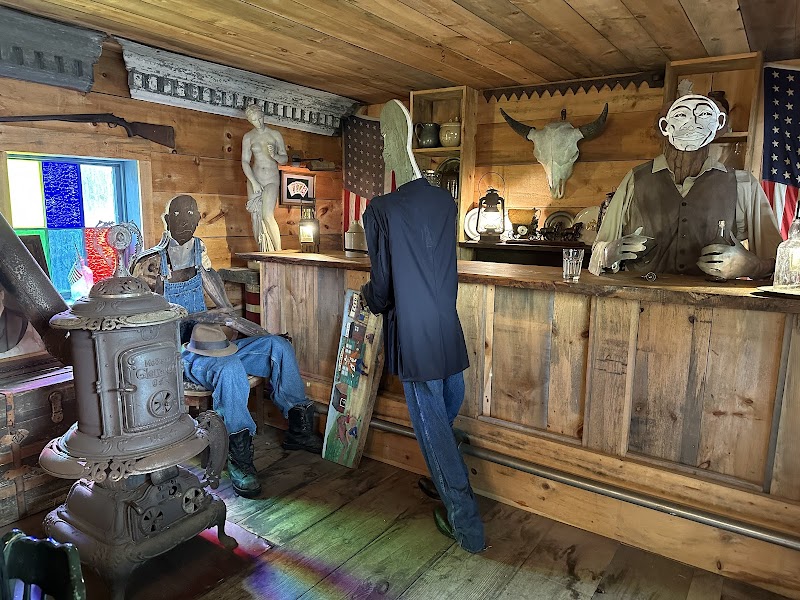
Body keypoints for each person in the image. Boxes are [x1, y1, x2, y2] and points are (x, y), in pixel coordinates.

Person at [132, 194, 322, 498]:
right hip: (177, 353)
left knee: (278, 347)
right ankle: (239, 455)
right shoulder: (150, 264)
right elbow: (151, 322)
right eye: (178, 218)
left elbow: (214, 290)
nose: (185, 223)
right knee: (231, 368)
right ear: (166, 221)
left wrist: (246, 326)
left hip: (213, 345)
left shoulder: (197, 249)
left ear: (197, 221)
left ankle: (298, 428)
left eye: (191, 218)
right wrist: (210, 316)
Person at [360, 100, 485, 554]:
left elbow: (384, 284)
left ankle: (466, 525)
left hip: (412, 334)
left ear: (395, 145)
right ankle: (444, 478)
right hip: (446, 327)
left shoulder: (381, 209)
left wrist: (367, 299)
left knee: (433, 429)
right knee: (445, 413)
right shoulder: (443, 200)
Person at [589, 94, 782, 279]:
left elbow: (781, 265)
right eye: (681, 115)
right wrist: (609, 252)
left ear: (718, 123)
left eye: (704, 115)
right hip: (638, 305)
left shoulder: (743, 184)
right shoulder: (635, 180)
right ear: (665, 126)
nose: (693, 123)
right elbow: (597, 254)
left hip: (713, 307)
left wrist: (751, 265)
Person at [242, 103, 288, 252]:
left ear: (263, 115)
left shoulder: (275, 134)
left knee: (267, 215)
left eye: (260, 118)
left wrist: (275, 155)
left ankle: (278, 252)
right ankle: (262, 252)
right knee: (255, 218)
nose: (259, 122)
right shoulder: (248, 137)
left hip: (271, 179)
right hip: (255, 178)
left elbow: (284, 159)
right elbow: (245, 161)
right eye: (255, 120)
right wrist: (254, 182)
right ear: (250, 121)